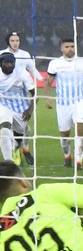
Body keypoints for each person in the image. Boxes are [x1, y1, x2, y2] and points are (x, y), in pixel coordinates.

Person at [44, 38, 83, 170]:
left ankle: (79, 161)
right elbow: (48, 82)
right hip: (62, 104)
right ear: (61, 48)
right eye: (67, 47)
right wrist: (47, 98)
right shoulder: (55, 64)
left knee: (80, 131)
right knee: (64, 134)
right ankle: (67, 155)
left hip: (80, 102)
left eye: (72, 46)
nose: (70, 49)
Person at [3, 32, 42, 166]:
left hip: (22, 94)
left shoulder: (24, 55)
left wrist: (42, 79)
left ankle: (23, 148)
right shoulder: (2, 53)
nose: (15, 42)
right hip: (4, 99)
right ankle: (11, 158)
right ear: (8, 41)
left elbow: (33, 70)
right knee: (5, 127)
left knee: (24, 129)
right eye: (13, 40)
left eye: (17, 40)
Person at [0, 53, 36, 163]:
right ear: (1, 63)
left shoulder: (22, 74)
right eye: (7, 62)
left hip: (21, 110)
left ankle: (15, 148)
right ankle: (8, 163)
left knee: (18, 136)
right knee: (4, 129)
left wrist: (30, 110)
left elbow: (35, 94)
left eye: (12, 62)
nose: (10, 65)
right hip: (3, 106)